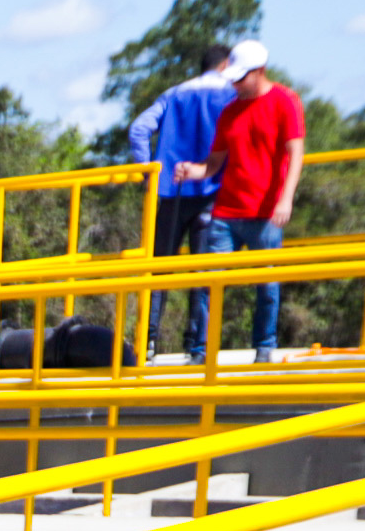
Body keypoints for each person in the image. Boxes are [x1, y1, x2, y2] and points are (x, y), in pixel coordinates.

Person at [131, 41, 261, 360]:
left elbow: (139, 129)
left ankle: (148, 341)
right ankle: (196, 346)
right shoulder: (232, 95)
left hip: (171, 192)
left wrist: (149, 173)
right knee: (204, 272)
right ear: (226, 65)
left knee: (158, 268)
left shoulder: (174, 94)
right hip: (214, 193)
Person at [195, 52, 309, 362]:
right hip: (227, 211)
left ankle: (264, 348)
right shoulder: (230, 111)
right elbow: (214, 162)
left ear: (260, 71)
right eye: (232, 77)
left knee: (267, 286)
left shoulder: (285, 100)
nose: (235, 83)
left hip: (266, 212)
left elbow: (296, 153)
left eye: (241, 77)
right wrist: (191, 170)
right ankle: (201, 350)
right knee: (208, 281)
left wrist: (286, 198)